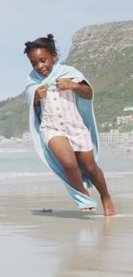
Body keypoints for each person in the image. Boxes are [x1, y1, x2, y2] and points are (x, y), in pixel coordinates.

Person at [24, 34, 116, 216]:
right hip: (51, 128)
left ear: (54, 56)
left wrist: (72, 86)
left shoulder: (70, 73)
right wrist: (36, 96)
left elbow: (88, 93)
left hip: (76, 126)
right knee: (68, 163)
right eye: (34, 63)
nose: (40, 66)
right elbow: (31, 104)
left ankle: (105, 196)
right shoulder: (32, 81)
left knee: (90, 168)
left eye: (43, 60)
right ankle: (82, 195)